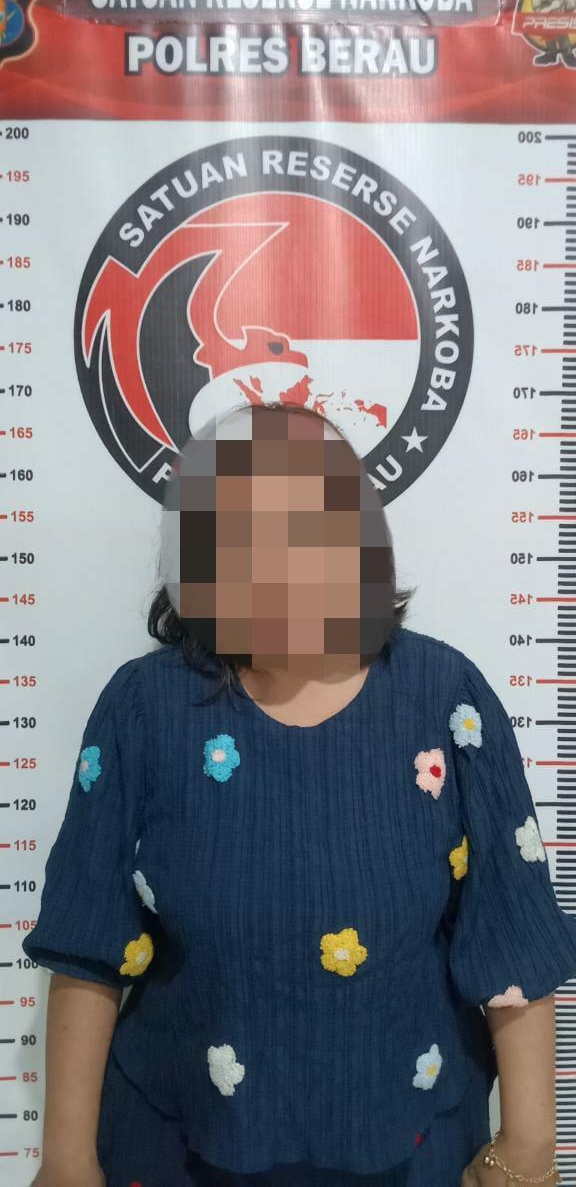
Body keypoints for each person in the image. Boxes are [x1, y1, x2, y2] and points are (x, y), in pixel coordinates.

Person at [22, 401, 572, 1187]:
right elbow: (89, 944)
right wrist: (67, 1161)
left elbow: (511, 937)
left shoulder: (447, 700)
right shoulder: (143, 710)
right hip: (180, 1143)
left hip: (411, 1146)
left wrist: (530, 1150)